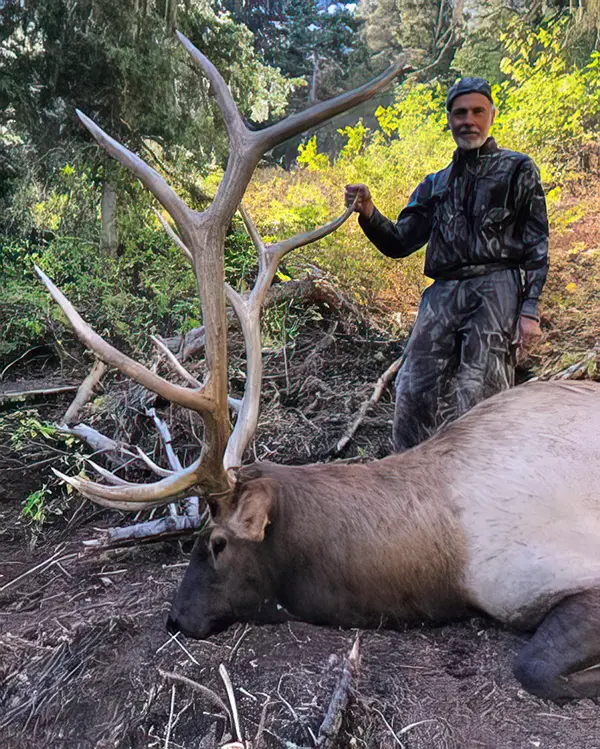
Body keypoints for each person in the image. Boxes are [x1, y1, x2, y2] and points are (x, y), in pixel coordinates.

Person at [346, 77, 549, 452]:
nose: (468, 120)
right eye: (460, 113)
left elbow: (537, 243)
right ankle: (409, 478)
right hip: (441, 295)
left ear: (491, 115)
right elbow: (400, 242)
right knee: (413, 387)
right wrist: (370, 213)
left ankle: (483, 481)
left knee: (480, 393)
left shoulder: (518, 170)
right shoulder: (435, 184)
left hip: (496, 289)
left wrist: (530, 310)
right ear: (449, 118)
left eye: (477, 112)